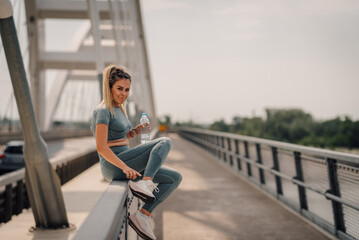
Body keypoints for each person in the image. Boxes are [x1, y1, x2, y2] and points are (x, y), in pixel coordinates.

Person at [90, 65, 182, 240]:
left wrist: (134, 132)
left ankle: (142, 215)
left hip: (125, 159)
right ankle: (145, 183)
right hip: (115, 165)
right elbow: (102, 147)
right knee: (164, 142)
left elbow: (117, 136)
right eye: (119, 89)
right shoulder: (103, 111)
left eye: (127, 90)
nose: (123, 93)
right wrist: (125, 168)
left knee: (174, 178)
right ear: (109, 88)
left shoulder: (118, 108)